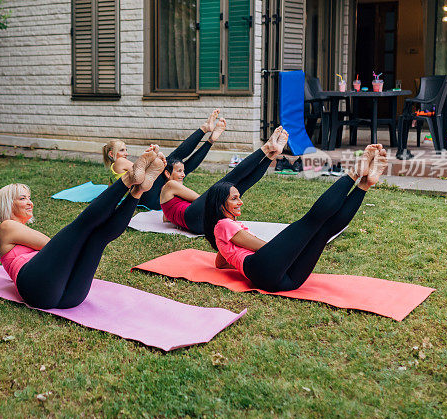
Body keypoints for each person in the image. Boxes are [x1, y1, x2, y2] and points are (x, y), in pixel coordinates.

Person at [0, 146, 166, 309]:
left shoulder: (18, 233)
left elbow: (59, 251)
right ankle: (128, 179)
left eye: (29, 198)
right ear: (7, 204)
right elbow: (50, 245)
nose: (30, 202)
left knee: (98, 238)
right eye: (22, 198)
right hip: (36, 287)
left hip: (71, 296)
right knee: (81, 227)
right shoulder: (6, 227)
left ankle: (138, 191)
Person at [204, 145, 388, 291]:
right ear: (220, 205)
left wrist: (228, 253)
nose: (240, 202)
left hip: (286, 282)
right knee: (311, 222)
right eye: (234, 198)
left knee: (324, 231)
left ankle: (364, 184)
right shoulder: (223, 224)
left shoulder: (222, 232)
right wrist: (296, 244)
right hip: (263, 270)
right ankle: (354, 173)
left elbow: (220, 263)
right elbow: (262, 247)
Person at [160, 126, 289, 234]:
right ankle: (267, 148)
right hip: (194, 218)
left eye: (183, 171)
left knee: (242, 186)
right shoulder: (170, 185)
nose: (183, 174)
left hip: (201, 225)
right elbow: (198, 199)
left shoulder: (167, 196)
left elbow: (166, 218)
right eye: (179, 171)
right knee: (230, 179)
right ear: (167, 173)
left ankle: (272, 155)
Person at [101, 109, 226, 209]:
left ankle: (209, 138)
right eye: (122, 150)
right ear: (112, 154)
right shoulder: (119, 162)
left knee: (181, 168)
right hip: (145, 197)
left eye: (126, 149)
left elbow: (112, 191)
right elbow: (142, 171)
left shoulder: (115, 169)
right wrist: (153, 156)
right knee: (173, 160)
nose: (126, 153)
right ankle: (205, 131)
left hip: (151, 199)